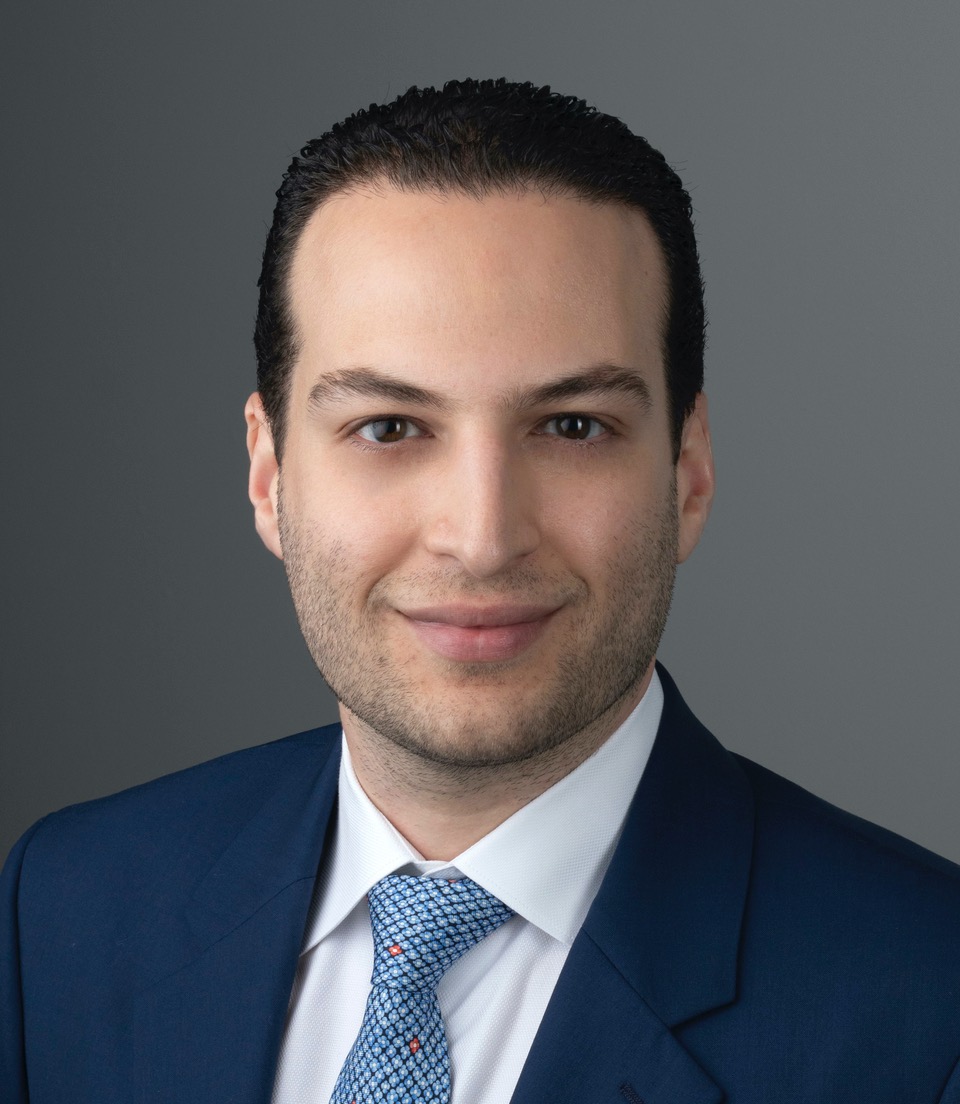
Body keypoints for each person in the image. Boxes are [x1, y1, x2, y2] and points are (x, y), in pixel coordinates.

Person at [2, 78, 959, 1104]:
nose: (481, 537)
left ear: (688, 474)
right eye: (389, 427)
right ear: (269, 477)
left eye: (573, 425)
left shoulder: (928, 1007)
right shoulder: (66, 908)